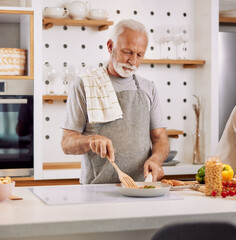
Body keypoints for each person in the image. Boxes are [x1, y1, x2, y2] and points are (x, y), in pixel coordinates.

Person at [61, 19, 169, 184]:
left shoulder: (149, 88)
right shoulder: (84, 84)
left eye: (139, 55)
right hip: (96, 189)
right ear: (110, 47)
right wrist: (90, 141)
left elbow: (160, 137)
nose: (133, 61)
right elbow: (67, 143)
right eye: (127, 52)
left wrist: (156, 159)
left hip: (140, 187)